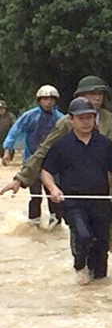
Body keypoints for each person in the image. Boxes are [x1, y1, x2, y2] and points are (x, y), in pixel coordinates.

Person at [0, 76, 112, 268]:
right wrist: (21, 178)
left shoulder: (108, 118)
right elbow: (45, 150)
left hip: (110, 181)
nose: (96, 98)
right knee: (84, 232)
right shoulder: (66, 122)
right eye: (91, 94)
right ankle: (82, 264)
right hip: (78, 184)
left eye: (99, 94)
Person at [39, 98, 112, 285]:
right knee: (83, 235)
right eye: (81, 118)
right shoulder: (61, 145)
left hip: (100, 202)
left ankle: (98, 288)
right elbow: (46, 172)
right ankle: (79, 265)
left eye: (90, 117)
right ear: (71, 120)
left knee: (101, 246)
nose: (86, 122)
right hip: (73, 203)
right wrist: (53, 188)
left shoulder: (104, 144)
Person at [2, 85, 63, 226]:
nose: (48, 102)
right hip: (32, 161)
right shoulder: (30, 116)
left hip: (53, 163)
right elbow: (14, 131)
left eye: (51, 99)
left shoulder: (61, 119)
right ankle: (33, 225)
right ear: (39, 100)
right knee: (35, 196)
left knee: (53, 194)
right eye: (45, 99)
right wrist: (7, 150)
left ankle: (56, 224)